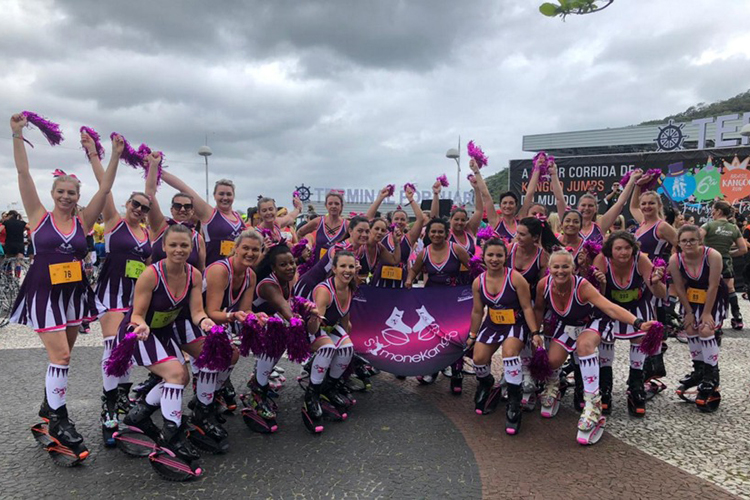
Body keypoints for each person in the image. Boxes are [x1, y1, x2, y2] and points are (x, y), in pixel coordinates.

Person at [9, 113, 120, 462]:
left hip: (73, 295)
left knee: (63, 357)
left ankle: (48, 406)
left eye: (72, 193)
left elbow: (105, 189)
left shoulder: (84, 222)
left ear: (77, 196)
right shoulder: (38, 216)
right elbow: (24, 174)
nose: (66, 197)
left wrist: (113, 155)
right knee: (62, 357)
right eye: (61, 192)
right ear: (53, 193)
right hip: (44, 292)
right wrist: (17, 134)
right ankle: (59, 420)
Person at [118, 224, 217, 465]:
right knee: (175, 374)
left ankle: (139, 414)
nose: (178, 250)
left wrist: (205, 322)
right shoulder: (151, 274)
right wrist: (142, 325)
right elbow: (137, 314)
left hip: (163, 331)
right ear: (163, 246)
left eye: (184, 245)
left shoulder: (194, 275)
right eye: (173, 245)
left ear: (191, 248)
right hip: (139, 331)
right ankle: (172, 435)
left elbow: (197, 311)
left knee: (182, 378)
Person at [533, 250, 656, 442]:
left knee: (584, 345)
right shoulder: (544, 285)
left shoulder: (582, 286)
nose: (560, 271)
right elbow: (539, 308)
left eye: (565, 266)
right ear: (549, 269)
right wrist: (535, 332)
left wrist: (638, 323)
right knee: (552, 361)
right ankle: (554, 384)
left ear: (573, 268)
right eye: (556, 267)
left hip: (593, 321)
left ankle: (593, 404)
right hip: (568, 325)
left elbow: (609, 307)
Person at [82, 130, 153, 445]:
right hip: (111, 295)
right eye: (136, 204)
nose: (139, 209)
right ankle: (109, 406)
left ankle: (122, 396)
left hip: (135, 299)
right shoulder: (113, 221)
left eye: (144, 207)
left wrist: (153, 168)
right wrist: (100, 154)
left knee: (128, 348)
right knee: (113, 346)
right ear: (127, 204)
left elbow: (148, 268)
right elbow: (104, 185)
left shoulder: (146, 234)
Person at [468, 238, 541, 434]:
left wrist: (535, 332)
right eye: (490, 255)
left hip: (515, 323)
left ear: (505, 257)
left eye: (499, 255)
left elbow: (527, 307)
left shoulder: (516, 278)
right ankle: (486, 383)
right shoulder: (478, 282)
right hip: (492, 323)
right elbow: (477, 311)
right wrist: (472, 335)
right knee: (478, 358)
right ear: (483, 257)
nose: (494, 259)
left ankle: (514, 401)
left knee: (509, 353)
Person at [251, 244, 326, 433]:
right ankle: (258, 394)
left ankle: (260, 381)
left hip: (267, 321)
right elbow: (283, 306)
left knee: (279, 333)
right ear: (273, 268)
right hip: (248, 324)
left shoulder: (286, 279)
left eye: (292, 263)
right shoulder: (269, 285)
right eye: (283, 265)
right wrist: (294, 319)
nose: (290, 267)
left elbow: (290, 303)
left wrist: (307, 308)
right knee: (276, 336)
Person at [591, 231, 667, 417]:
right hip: (610, 306)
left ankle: (636, 384)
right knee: (606, 338)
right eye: (618, 248)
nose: (623, 252)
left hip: (637, 305)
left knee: (640, 338)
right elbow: (595, 296)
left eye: (627, 248)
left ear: (633, 248)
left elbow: (660, 294)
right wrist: (601, 284)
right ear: (610, 250)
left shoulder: (641, 260)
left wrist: (656, 282)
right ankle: (605, 386)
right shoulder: (601, 260)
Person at [203, 229, 262, 437]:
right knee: (223, 354)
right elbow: (211, 312)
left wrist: (257, 317)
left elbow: (246, 310)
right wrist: (234, 316)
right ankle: (203, 407)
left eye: (255, 250)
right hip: (197, 319)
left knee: (233, 354)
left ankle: (211, 396)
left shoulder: (250, 275)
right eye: (245, 248)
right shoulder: (220, 270)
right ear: (235, 249)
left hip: (219, 320)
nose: (250, 253)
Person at [670, 225, 726, 412]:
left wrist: (707, 313)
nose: (688, 244)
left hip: (712, 297)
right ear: (679, 243)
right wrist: (688, 312)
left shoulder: (713, 256)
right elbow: (679, 287)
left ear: (700, 241)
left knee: (705, 329)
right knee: (690, 328)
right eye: (684, 241)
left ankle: (711, 375)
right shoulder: (675, 259)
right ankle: (699, 370)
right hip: (691, 298)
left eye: (692, 240)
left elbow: (714, 285)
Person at [161, 171, 244, 266]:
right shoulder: (209, 214)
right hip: (214, 269)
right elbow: (183, 188)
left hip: (237, 269)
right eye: (221, 194)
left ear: (233, 196)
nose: (225, 198)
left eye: (229, 194)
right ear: (214, 196)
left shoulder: (238, 216)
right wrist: (158, 170)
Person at [145, 153, 206, 271]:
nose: (182, 209)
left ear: (192, 211)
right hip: (158, 281)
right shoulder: (160, 225)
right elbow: (149, 195)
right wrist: (153, 166)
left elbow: (201, 269)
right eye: (178, 206)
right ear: (171, 210)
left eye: (187, 206)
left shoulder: (198, 239)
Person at [367, 185, 425, 288]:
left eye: (402, 219)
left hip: (401, 279)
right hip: (380, 278)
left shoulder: (409, 238)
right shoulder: (383, 234)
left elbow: (420, 219)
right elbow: (368, 219)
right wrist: (381, 197)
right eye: (396, 219)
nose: (399, 221)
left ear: (407, 222)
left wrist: (411, 199)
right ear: (391, 221)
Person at [700, 201, 747, 330]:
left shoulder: (708, 225)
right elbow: (743, 249)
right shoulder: (734, 228)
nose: (711, 212)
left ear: (719, 211)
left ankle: (706, 315)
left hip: (708, 260)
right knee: (730, 289)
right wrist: (728, 253)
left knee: (707, 287)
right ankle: (737, 317)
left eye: (713, 210)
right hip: (725, 261)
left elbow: (696, 240)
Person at [296, 191, 348, 264]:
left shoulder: (347, 225)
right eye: (330, 203)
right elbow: (300, 233)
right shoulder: (318, 221)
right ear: (326, 205)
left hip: (339, 267)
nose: (333, 206)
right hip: (318, 266)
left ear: (341, 206)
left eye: (337, 203)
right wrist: (304, 249)